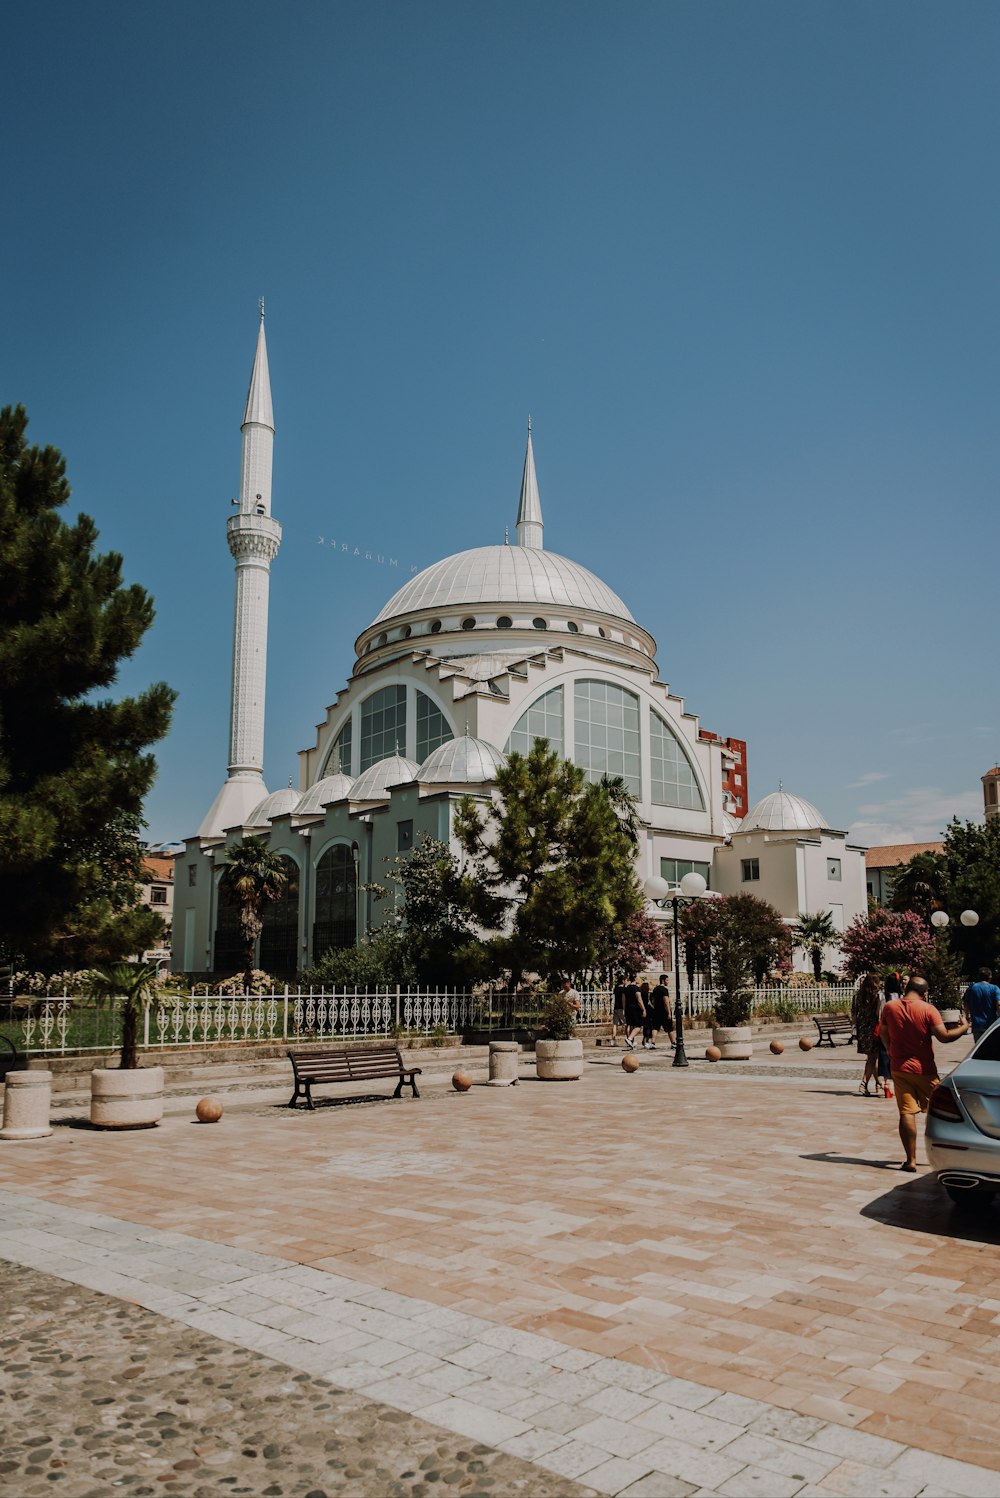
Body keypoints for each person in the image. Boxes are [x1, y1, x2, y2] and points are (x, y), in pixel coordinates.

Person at [880, 975, 969, 1173]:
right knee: (943, 1113)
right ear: (925, 993)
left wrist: (889, 1049)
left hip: (899, 1068)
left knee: (906, 1113)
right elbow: (944, 1037)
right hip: (924, 1069)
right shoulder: (928, 1009)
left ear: (906, 988)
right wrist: (964, 1027)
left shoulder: (889, 1007)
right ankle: (949, 1158)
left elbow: (883, 1032)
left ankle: (910, 1160)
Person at [852, 973, 884, 1095]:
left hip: (862, 1029)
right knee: (872, 1058)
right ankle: (863, 1084)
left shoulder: (857, 996)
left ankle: (878, 1083)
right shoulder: (877, 996)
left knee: (872, 1057)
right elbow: (878, 1014)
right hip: (873, 1029)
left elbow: (854, 1015)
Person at [962, 967, 1000, 1042]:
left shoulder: (972, 988)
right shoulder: (994, 988)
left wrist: (966, 1017)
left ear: (978, 977)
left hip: (977, 1025)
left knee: (979, 1048)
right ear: (990, 976)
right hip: (991, 1025)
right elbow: (999, 1005)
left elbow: (966, 1003)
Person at [646, 974, 674, 1050]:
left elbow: (653, 1001)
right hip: (664, 1011)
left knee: (655, 1027)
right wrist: (669, 1012)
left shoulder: (655, 989)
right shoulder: (664, 990)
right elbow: (666, 1002)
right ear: (663, 980)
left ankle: (653, 1043)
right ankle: (673, 1043)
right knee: (669, 1028)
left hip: (656, 1011)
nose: (668, 982)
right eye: (667, 980)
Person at [623, 976, 645, 1050]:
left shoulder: (626, 989)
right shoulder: (636, 988)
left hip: (628, 1008)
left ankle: (631, 1042)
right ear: (635, 979)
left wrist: (624, 1009)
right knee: (639, 1026)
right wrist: (643, 1009)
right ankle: (630, 1038)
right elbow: (639, 999)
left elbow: (624, 1000)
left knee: (631, 1025)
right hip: (635, 1008)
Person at [610, 980, 626, 1046]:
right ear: (623, 981)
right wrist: (624, 1008)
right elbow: (623, 999)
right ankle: (628, 1039)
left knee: (615, 1024)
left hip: (615, 1007)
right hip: (621, 1008)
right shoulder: (624, 989)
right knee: (626, 1024)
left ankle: (613, 1040)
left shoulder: (615, 989)